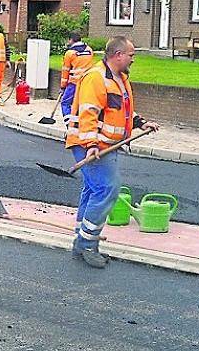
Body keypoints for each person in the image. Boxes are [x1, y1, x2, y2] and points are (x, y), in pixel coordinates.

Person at [65, 36, 160, 268]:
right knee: (107, 189)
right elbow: (88, 113)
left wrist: (140, 123)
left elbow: (120, 110)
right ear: (118, 55)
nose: (133, 59)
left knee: (93, 189)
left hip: (106, 145)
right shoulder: (96, 78)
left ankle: (81, 241)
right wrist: (91, 146)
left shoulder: (119, 79)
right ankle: (88, 244)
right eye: (131, 55)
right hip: (92, 145)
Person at [60, 32, 95, 125]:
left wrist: (63, 87)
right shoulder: (89, 50)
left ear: (71, 40)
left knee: (65, 103)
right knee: (82, 104)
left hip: (74, 83)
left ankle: (70, 124)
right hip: (87, 82)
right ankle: (80, 123)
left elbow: (65, 71)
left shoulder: (70, 53)